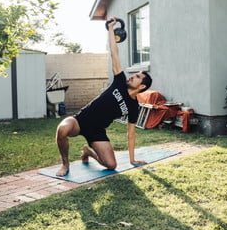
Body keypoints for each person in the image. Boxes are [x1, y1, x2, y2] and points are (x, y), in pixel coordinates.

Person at [55, 17, 153, 176]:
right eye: (133, 75)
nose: (131, 77)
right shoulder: (120, 81)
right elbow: (114, 53)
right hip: (81, 120)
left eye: (136, 77)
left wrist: (133, 159)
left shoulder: (134, 107)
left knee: (111, 165)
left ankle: (88, 152)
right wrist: (111, 30)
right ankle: (65, 165)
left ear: (142, 87)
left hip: (97, 132)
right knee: (62, 129)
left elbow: (131, 134)